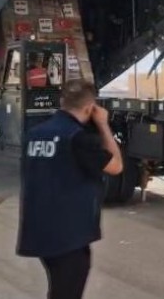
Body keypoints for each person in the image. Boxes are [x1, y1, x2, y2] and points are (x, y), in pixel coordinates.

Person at [17, 79, 123, 299]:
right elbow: (116, 166)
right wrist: (103, 124)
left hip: (39, 228)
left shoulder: (35, 133)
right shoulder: (77, 138)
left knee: (59, 289)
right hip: (68, 235)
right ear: (89, 108)